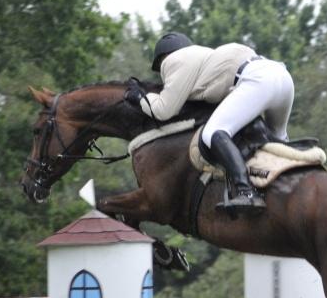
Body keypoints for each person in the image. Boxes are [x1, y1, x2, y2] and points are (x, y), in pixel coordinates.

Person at [124, 32, 295, 213]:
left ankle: (246, 192)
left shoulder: (173, 60)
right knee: (279, 142)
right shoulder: (204, 58)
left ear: (163, 57)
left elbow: (163, 110)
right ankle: (290, 181)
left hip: (258, 80)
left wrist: (140, 98)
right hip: (282, 77)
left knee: (212, 133)